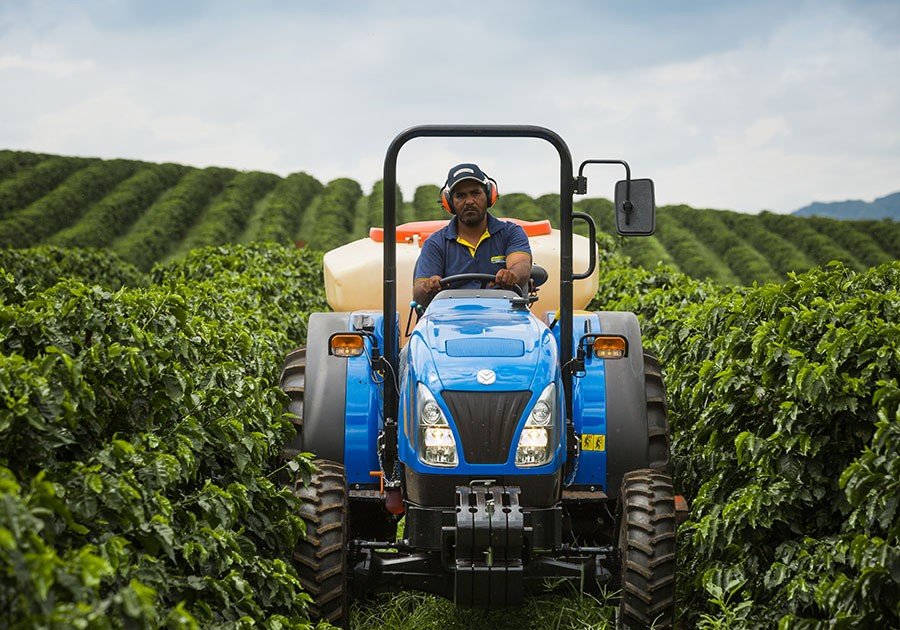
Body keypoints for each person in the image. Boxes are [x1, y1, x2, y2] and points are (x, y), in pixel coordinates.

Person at [412, 163, 532, 307]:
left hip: (504, 315)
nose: (469, 201)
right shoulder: (436, 243)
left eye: (475, 193)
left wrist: (513, 274)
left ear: (489, 195)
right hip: (449, 319)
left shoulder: (511, 233)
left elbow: (521, 265)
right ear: (449, 203)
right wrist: (428, 286)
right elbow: (418, 292)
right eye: (460, 196)